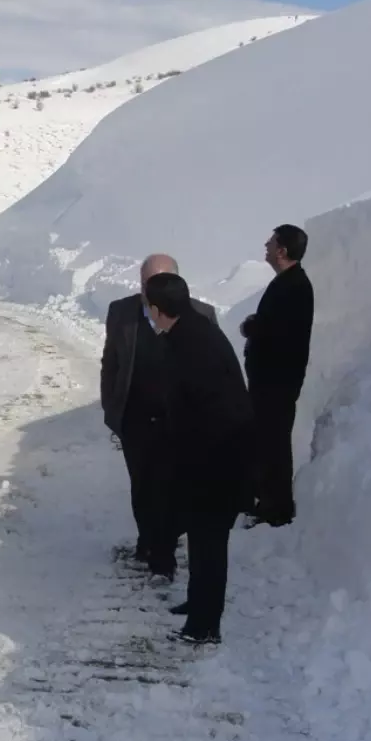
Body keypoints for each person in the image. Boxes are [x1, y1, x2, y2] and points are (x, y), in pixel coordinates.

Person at [143, 271, 253, 644]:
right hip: (207, 460)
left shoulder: (191, 345)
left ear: (157, 309)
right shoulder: (190, 331)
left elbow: (207, 411)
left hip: (216, 463)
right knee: (200, 541)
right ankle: (197, 603)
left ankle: (205, 627)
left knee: (210, 544)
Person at [100, 253, 219, 582]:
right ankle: (148, 541)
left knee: (172, 484)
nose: (147, 291)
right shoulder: (121, 312)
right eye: (143, 283)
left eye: (155, 284)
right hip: (135, 418)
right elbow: (111, 361)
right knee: (141, 483)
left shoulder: (202, 315)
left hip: (179, 421)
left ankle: (163, 550)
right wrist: (111, 407)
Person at [240, 224, 315, 528]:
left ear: (282, 250)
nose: (266, 246)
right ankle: (267, 499)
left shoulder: (295, 285)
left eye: (271, 243)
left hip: (278, 382)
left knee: (274, 444)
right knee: (267, 441)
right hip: (269, 381)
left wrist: (252, 328)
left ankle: (278, 509)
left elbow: (281, 332)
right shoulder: (287, 282)